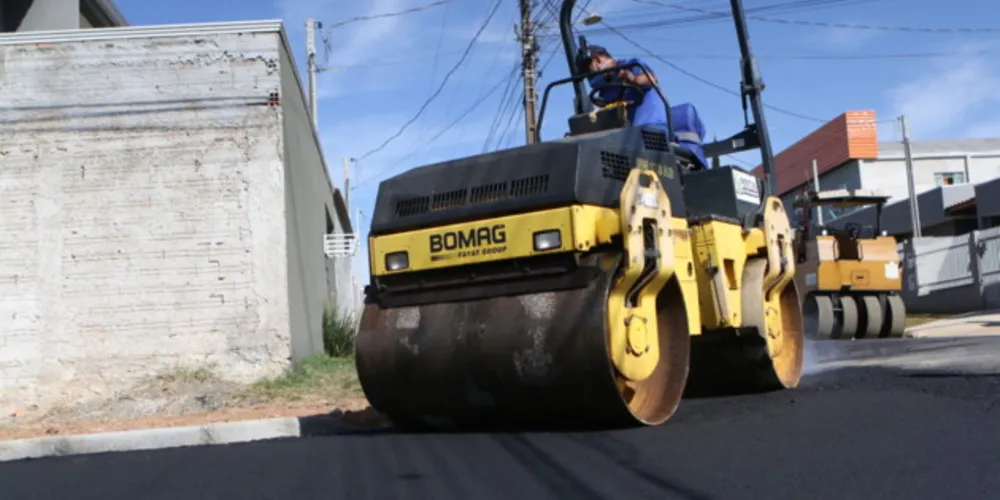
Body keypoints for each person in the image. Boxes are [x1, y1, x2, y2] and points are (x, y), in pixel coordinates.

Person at [583, 45, 709, 168]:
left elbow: (651, 79)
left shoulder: (631, 65)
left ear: (598, 60)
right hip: (629, 136)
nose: (589, 77)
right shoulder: (606, 88)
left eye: (588, 71)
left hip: (652, 130)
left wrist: (633, 78)